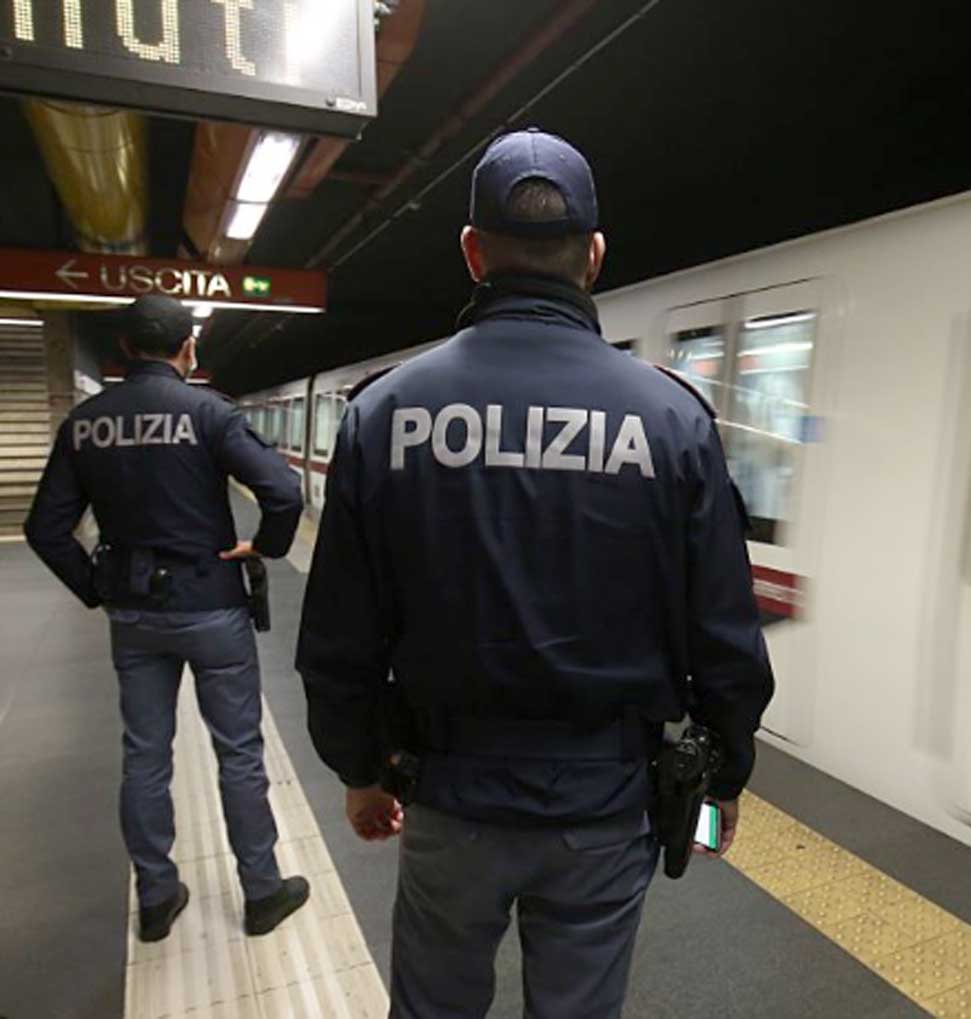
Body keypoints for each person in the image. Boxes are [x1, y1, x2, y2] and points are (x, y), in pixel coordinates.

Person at [295, 127, 774, 1019]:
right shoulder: (672, 419)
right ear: (593, 256)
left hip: (447, 795)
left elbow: (339, 636)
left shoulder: (384, 413)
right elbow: (726, 634)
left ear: (473, 253)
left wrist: (360, 768)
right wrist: (723, 781)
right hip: (606, 804)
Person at [24, 295, 312, 942]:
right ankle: (262, 890)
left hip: (133, 611)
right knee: (238, 751)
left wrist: (95, 586)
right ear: (189, 350)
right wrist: (265, 545)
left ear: (124, 349)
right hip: (211, 605)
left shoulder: (85, 423)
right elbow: (284, 490)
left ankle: (156, 896)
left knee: (144, 755)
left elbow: (44, 528)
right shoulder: (209, 413)